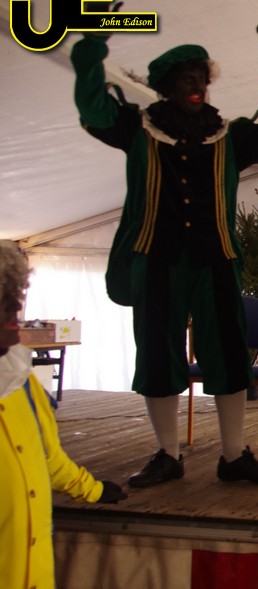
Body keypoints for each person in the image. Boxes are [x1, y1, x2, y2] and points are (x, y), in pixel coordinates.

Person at [70, 9, 258, 487]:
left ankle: (233, 456)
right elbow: (92, 107)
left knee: (229, 352)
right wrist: (93, 45)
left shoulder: (229, 135)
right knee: (157, 353)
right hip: (155, 260)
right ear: (167, 87)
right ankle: (167, 454)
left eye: (201, 77)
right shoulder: (137, 128)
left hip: (216, 261)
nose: (196, 85)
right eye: (186, 78)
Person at [1, 240, 127, 589]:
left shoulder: (24, 383)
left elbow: (48, 458)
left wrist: (93, 490)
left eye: (16, 293)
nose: (16, 306)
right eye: (3, 297)